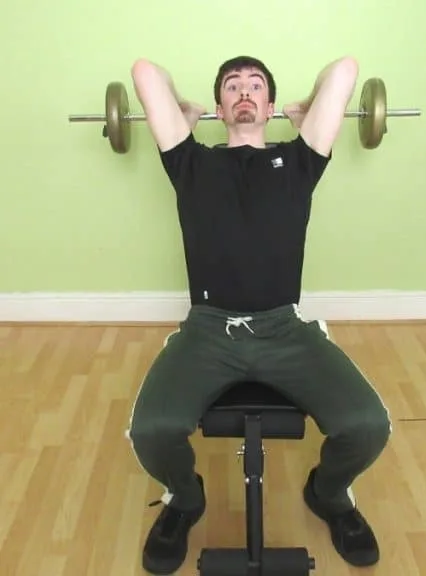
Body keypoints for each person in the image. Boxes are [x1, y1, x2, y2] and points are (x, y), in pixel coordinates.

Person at [124, 55, 392, 575]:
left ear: (268, 107)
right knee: (151, 429)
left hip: (282, 328)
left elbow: (345, 69)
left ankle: (330, 493)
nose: (243, 93)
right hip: (208, 330)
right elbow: (145, 73)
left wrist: (310, 108)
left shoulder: (301, 159)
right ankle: (184, 498)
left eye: (255, 87)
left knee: (368, 425)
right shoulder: (189, 162)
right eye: (232, 87)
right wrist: (184, 108)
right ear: (221, 108)